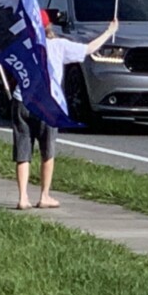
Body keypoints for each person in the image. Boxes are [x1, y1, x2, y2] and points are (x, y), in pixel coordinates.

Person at [12, 11, 118, 210]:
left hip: (22, 99)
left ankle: (22, 197)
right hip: (48, 103)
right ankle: (44, 195)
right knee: (47, 150)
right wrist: (109, 31)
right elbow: (88, 49)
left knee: (22, 150)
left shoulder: (23, 46)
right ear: (49, 25)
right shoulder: (58, 46)